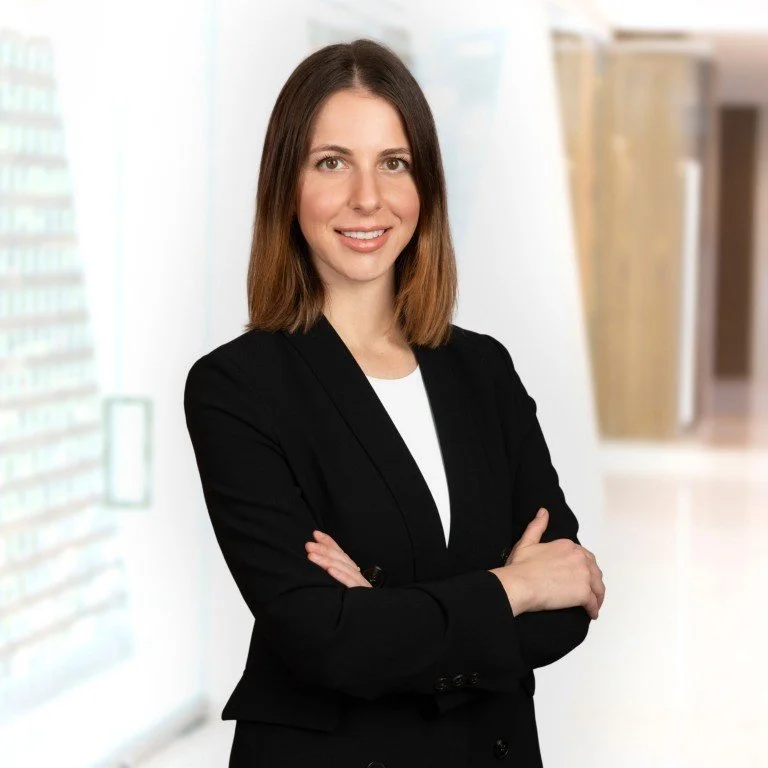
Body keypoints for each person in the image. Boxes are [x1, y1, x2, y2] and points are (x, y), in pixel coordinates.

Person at [184, 38, 605, 768]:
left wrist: (383, 613)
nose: (367, 198)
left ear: (425, 187)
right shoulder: (236, 387)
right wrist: (511, 587)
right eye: (332, 162)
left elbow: (568, 598)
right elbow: (325, 641)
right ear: (287, 185)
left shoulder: (484, 370)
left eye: (394, 163)